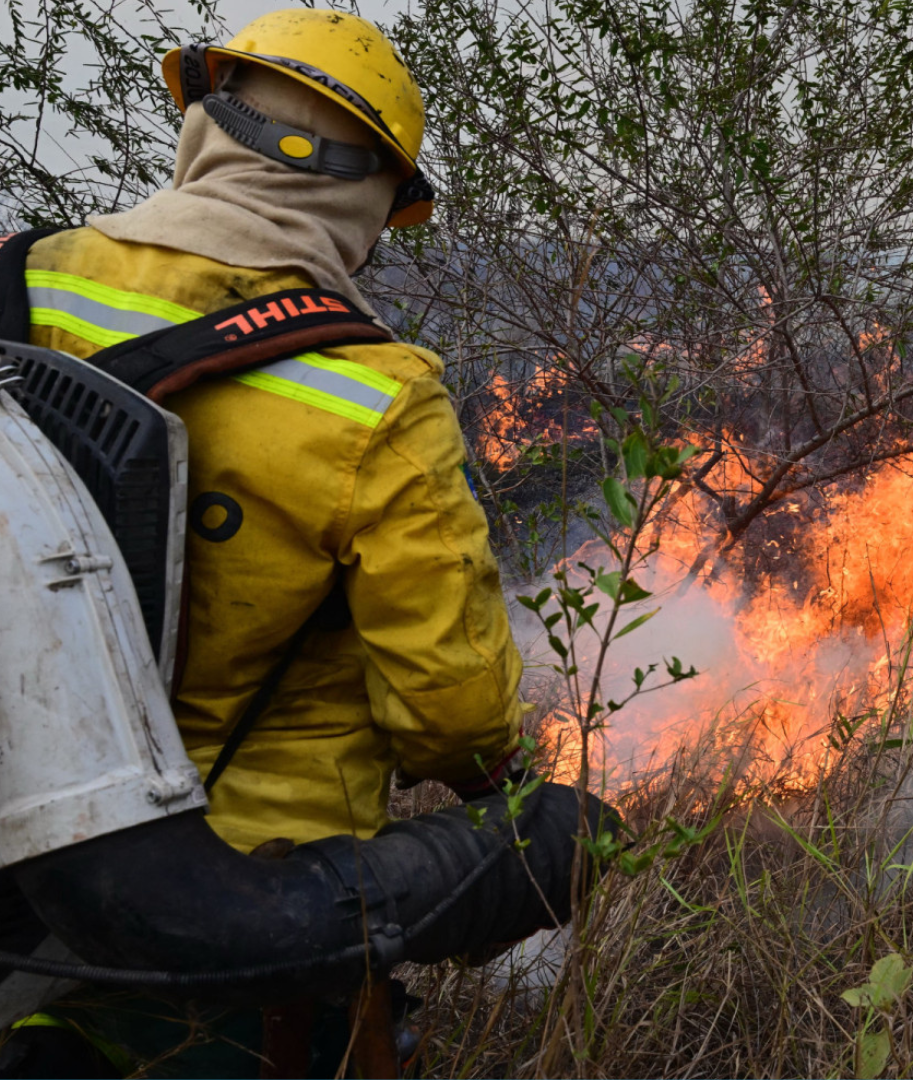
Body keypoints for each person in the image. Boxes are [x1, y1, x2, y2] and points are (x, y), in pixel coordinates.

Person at [1, 9, 533, 1075]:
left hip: (17, 882)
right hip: (240, 919)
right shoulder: (377, 398)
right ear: (369, 198)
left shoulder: (24, 281)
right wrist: (512, 789)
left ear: (206, 127)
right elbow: (451, 715)